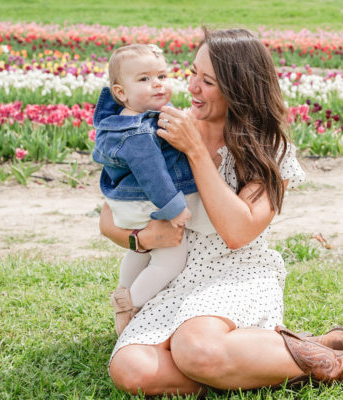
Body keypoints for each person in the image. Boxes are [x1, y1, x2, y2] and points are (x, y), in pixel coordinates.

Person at [99, 28, 343, 399]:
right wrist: (144, 239)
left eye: (208, 81)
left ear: (238, 88)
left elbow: (237, 233)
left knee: (195, 349)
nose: (193, 88)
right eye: (192, 73)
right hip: (174, 275)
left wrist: (196, 153)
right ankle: (281, 353)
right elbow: (109, 216)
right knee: (131, 370)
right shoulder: (163, 128)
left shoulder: (268, 151)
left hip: (237, 271)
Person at [93, 43, 215, 335]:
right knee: (171, 258)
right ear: (121, 93)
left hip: (131, 201)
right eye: (144, 79)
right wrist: (174, 209)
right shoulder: (137, 133)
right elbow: (154, 174)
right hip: (147, 200)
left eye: (161, 76)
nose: (157, 85)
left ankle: (124, 289)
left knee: (141, 252)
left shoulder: (132, 117)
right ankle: (130, 303)